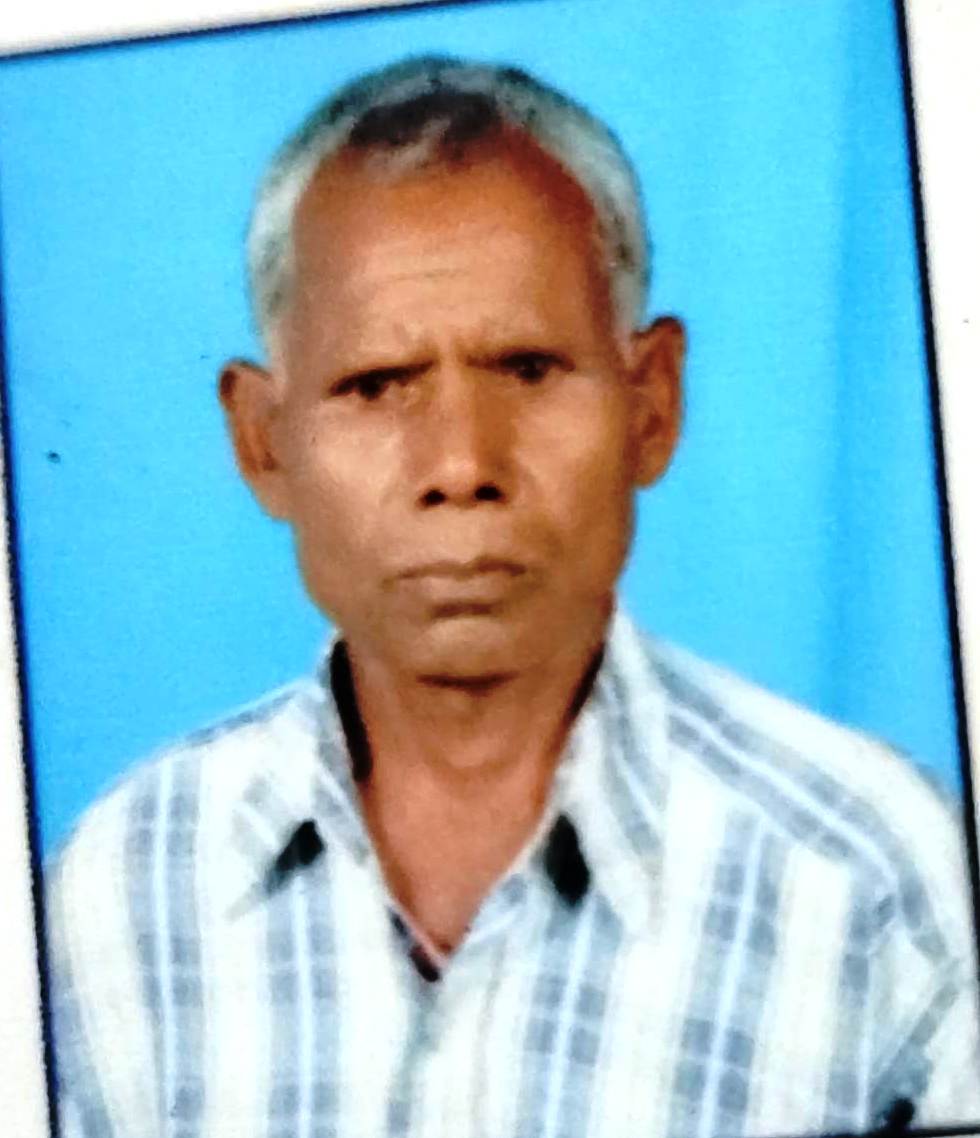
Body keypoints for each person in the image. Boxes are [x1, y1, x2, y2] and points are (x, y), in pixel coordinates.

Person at [44, 55, 980, 1138]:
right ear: (264, 443)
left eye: (528, 369)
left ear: (650, 404)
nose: (460, 465)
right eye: (376, 385)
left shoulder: (873, 884)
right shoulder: (114, 896)